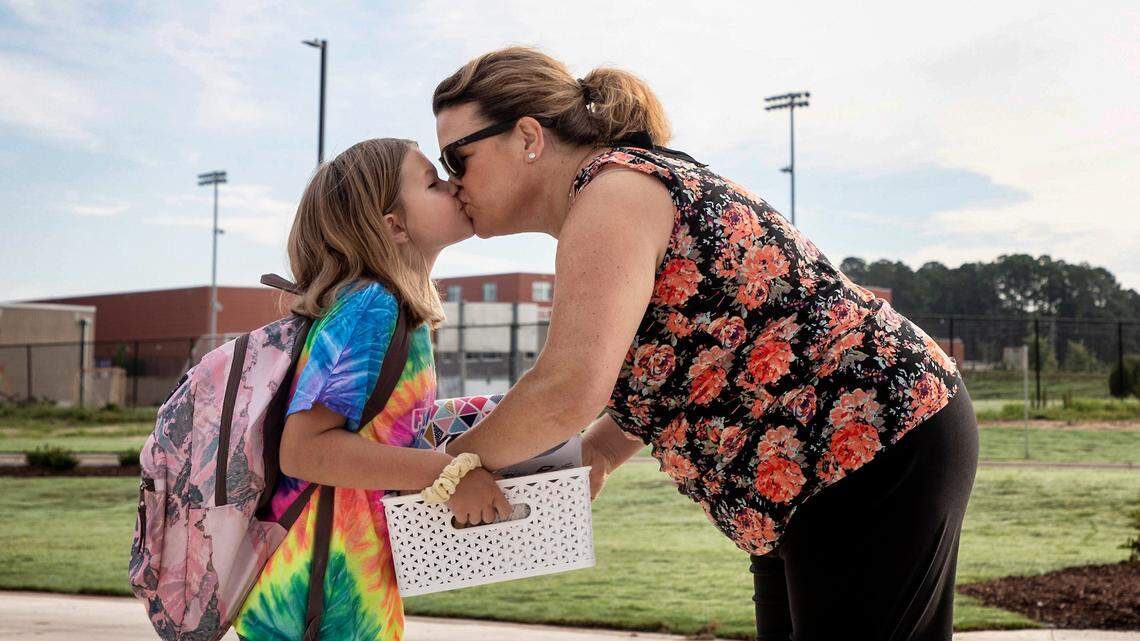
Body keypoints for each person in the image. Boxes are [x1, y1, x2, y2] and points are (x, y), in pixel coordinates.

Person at [432, 47, 979, 641]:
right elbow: (691, 358)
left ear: (528, 136)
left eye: (456, 158)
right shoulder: (615, 192)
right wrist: (600, 455)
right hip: (814, 467)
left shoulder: (613, 193)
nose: (451, 182)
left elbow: (567, 389)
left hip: (870, 439)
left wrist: (443, 469)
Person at [232, 138, 510, 641]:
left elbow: (387, 428)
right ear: (394, 225)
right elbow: (305, 449)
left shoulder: (394, 309)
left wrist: (503, 411)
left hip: (352, 580)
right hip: (322, 595)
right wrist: (450, 473)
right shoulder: (371, 305)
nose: (454, 185)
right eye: (432, 181)